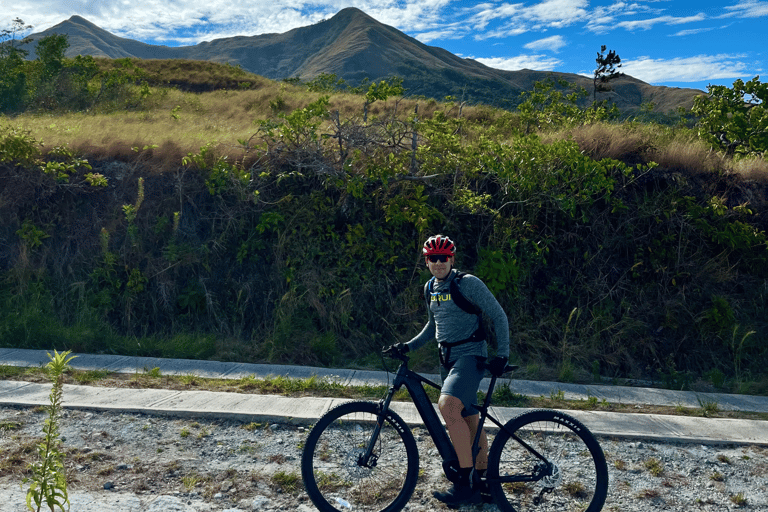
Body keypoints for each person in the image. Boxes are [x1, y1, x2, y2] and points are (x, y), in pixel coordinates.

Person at [386, 234, 510, 507]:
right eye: (433, 258)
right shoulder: (430, 287)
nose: (439, 262)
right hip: (447, 360)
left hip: (471, 356)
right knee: (468, 420)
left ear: (452, 259)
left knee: (448, 406)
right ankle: (483, 484)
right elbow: (433, 328)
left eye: (444, 257)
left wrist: (503, 354)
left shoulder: (468, 284)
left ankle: (464, 483)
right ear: (427, 261)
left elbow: (498, 315)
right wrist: (407, 346)